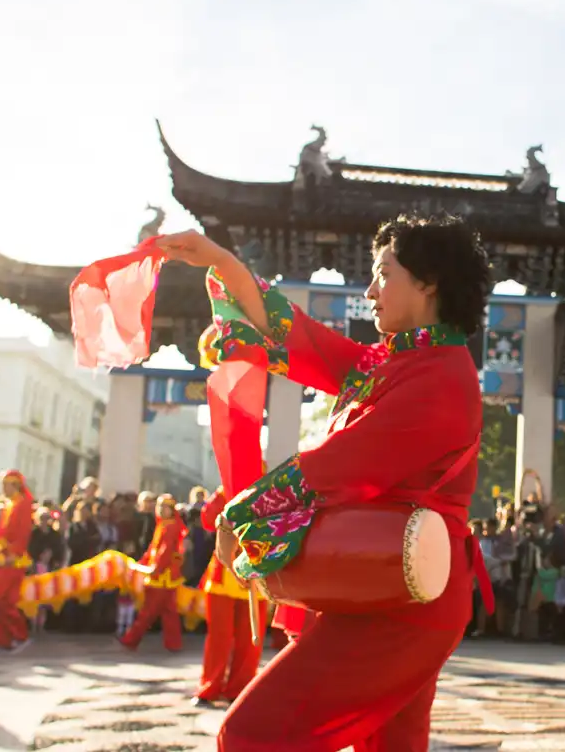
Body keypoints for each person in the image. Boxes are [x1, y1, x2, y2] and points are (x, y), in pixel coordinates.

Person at [159, 212, 490, 752]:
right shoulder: (387, 365)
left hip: (401, 598)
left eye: (385, 273)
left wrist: (241, 513)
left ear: (428, 281)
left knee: (251, 736)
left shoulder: (444, 376)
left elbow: (344, 462)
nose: (371, 289)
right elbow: (300, 336)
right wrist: (222, 263)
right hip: (386, 580)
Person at [194, 485, 268, 707]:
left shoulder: (270, 486)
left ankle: (239, 690)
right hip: (222, 578)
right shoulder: (227, 487)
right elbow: (208, 520)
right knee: (219, 636)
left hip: (255, 575)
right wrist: (224, 491)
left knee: (250, 640)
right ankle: (210, 687)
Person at [121, 493, 187, 653]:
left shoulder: (170, 527)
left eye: (164, 507)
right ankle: (174, 644)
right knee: (169, 612)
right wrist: (142, 563)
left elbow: (164, 552)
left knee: (148, 611)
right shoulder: (164, 525)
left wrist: (154, 570)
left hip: (162, 577)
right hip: (166, 576)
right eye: (159, 506)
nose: (160, 509)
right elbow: (153, 549)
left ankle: (131, 639)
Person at [0, 470, 35, 653]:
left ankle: (20, 636)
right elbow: (1, 534)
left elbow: (22, 533)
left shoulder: (23, 505)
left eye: (6, 484)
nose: (3, 488)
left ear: (16, 485)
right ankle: (1, 640)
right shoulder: (9, 505)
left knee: (6, 602)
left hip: (13, 560)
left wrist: (13, 553)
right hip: (2, 558)